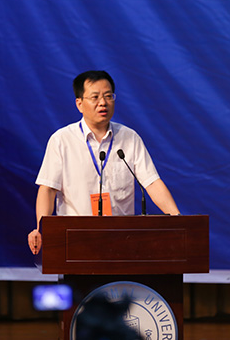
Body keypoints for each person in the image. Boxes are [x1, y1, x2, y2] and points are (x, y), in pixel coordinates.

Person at [28, 70, 180, 254]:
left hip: (123, 240)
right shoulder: (62, 140)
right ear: (79, 104)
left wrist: (178, 219)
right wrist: (41, 229)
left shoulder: (129, 138)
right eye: (95, 97)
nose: (103, 103)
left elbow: (152, 183)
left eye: (108, 96)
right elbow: (48, 189)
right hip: (75, 240)